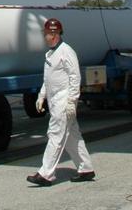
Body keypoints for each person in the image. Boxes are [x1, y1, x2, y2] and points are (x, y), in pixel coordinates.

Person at [27, 16, 96, 187]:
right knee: (72, 137)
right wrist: (41, 95)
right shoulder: (51, 53)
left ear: (54, 34)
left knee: (56, 135)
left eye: (46, 34)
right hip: (55, 100)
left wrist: (72, 101)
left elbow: (75, 77)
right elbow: (49, 78)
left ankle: (45, 174)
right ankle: (86, 168)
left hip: (63, 102)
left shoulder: (66, 52)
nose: (44, 37)